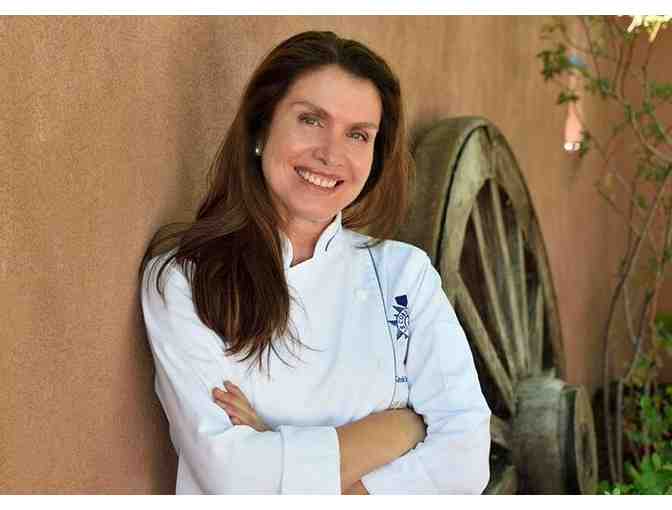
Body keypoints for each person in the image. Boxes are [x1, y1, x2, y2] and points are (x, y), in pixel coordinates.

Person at [139, 30, 491, 495]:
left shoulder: (405, 276)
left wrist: (275, 446)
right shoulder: (186, 280)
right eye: (310, 120)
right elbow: (233, 478)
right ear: (261, 128)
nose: (331, 154)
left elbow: (466, 461)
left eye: (358, 135)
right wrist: (402, 428)